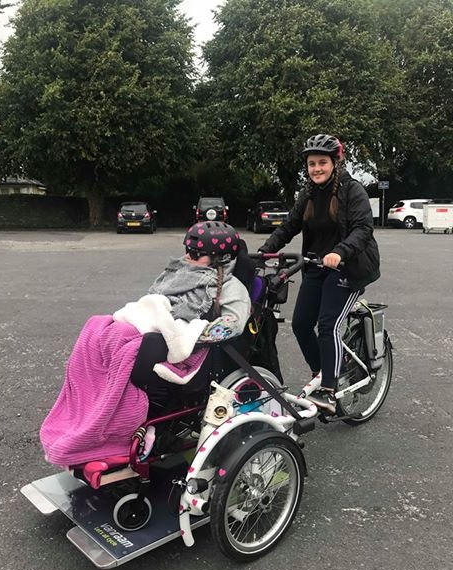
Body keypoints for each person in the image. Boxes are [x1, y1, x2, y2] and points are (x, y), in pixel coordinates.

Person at [40, 222, 252, 466]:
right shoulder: (178, 271)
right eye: (187, 250)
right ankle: (93, 415)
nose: (187, 257)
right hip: (152, 327)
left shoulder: (229, 286)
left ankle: (120, 426)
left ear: (221, 258)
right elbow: (152, 300)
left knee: (141, 348)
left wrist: (190, 334)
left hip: (188, 345)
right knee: (97, 329)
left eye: (195, 254)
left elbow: (233, 324)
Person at [258, 134, 380, 414]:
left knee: (328, 325)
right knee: (301, 324)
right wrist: (264, 252)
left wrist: (340, 251)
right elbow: (289, 226)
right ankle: (322, 371)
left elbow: (363, 229)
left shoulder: (352, 191)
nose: (316, 169)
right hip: (316, 265)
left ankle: (330, 388)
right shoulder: (309, 194)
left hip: (350, 267)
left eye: (322, 163)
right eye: (311, 164)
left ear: (335, 163)